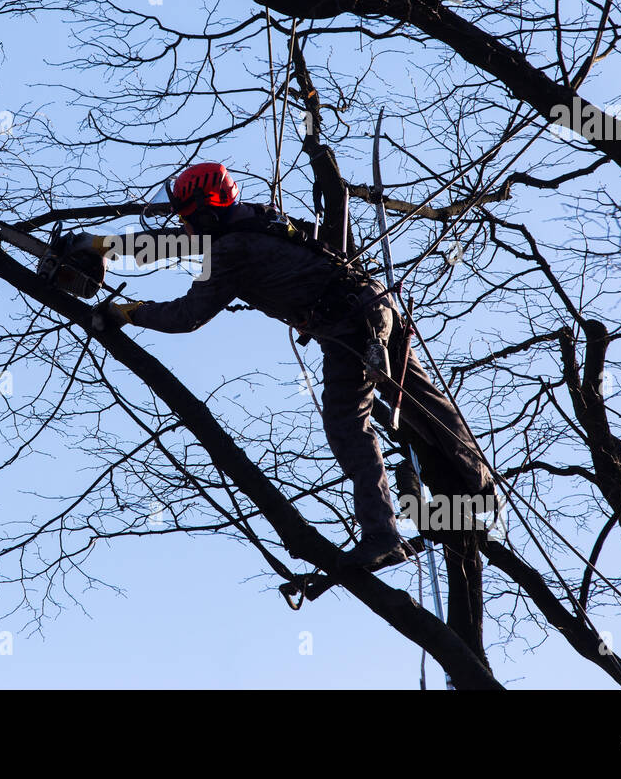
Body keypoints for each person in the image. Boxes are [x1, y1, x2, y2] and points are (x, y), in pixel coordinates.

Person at [87, 163, 494, 571]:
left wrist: (131, 312)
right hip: (376, 305)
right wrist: (102, 245)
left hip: (347, 328)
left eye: (186, 217)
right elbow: (175, 243)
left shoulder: (230, 251)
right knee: (423, 400)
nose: (184, 227)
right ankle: (481, 486)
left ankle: (382, 536)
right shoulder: (260, 218)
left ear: (207, 213)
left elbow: (187, 316)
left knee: (348, 425)